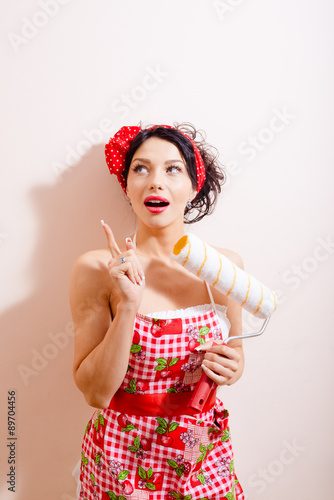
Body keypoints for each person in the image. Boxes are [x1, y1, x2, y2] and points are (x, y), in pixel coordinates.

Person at [69, 123, 245, 499]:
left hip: (200, 450)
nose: (155, 182)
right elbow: (96, 393)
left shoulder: (225, 269)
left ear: (194, 186)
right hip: (120, 459)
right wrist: (128, 305)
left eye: (172, 169)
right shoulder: (97, 269)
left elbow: (237, 353)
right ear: (127, 184)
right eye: (141, 168)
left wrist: (234, 367)